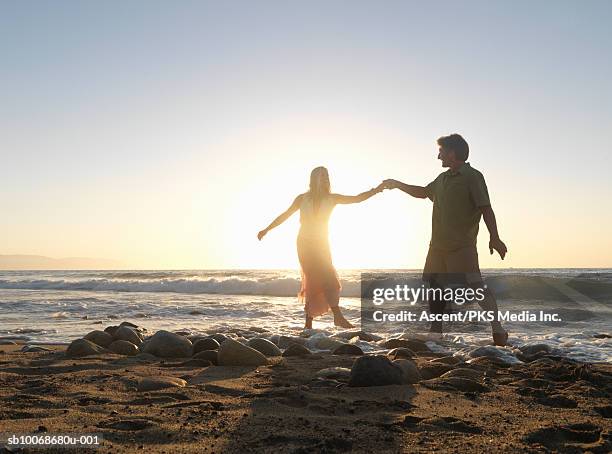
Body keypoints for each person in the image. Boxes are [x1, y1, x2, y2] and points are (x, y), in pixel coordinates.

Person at [384, 134, 509, 346]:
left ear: (452, 153)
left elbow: (485, 207)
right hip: (437, 246)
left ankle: (498, 330)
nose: (438, 156)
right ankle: (436, 333)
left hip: (462, 246)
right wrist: (397, 184)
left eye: (441, 151)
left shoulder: (472, 176)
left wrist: (494, 237)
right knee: (435, 287)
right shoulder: (442, 179)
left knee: (476, 287)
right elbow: (423, 192)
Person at [258, 166, 384, 329]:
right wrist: (267, 229)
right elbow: (285, 215)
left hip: (322, 243)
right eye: (319, 175)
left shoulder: (332, 198)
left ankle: (323, 319)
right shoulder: (302, 198)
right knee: (312, 279)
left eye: (325, 176)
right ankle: (320, 319)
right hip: (304, 243)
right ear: (313, 178)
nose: (323, 178)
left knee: (329, 279)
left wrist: (376, 190)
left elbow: (357, 198)